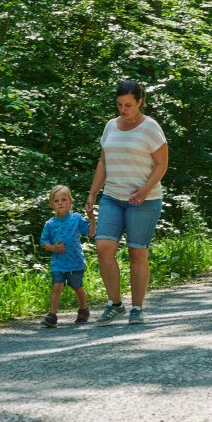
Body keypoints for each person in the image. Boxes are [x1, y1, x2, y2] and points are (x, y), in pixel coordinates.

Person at [85, 80, 169, 326]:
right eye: (120, 105)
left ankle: (137, 307)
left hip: (144, 200)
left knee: (136, 252)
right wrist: (92, 193)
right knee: (103, 248)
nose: (124, 110)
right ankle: (115, 304)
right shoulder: (110, 126)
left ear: (140, 102)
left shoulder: (150, 128)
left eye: (129, 105)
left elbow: (162, 164)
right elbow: (103, 162)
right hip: (112, 196)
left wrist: (144, 190)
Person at [39, 185, 95, 327]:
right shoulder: (50, 224)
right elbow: (44, 242)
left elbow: (91, 232)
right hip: (58, 263)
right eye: (56, 201)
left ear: (71, 202)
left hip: (75, 262)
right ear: (51, 204)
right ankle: (52, 315)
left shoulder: (76, 218)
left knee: (77, 287)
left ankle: (83, 309)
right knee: (57, 286)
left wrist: (92, 219)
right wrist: (54, 248)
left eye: (64, 199)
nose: (60, 203)